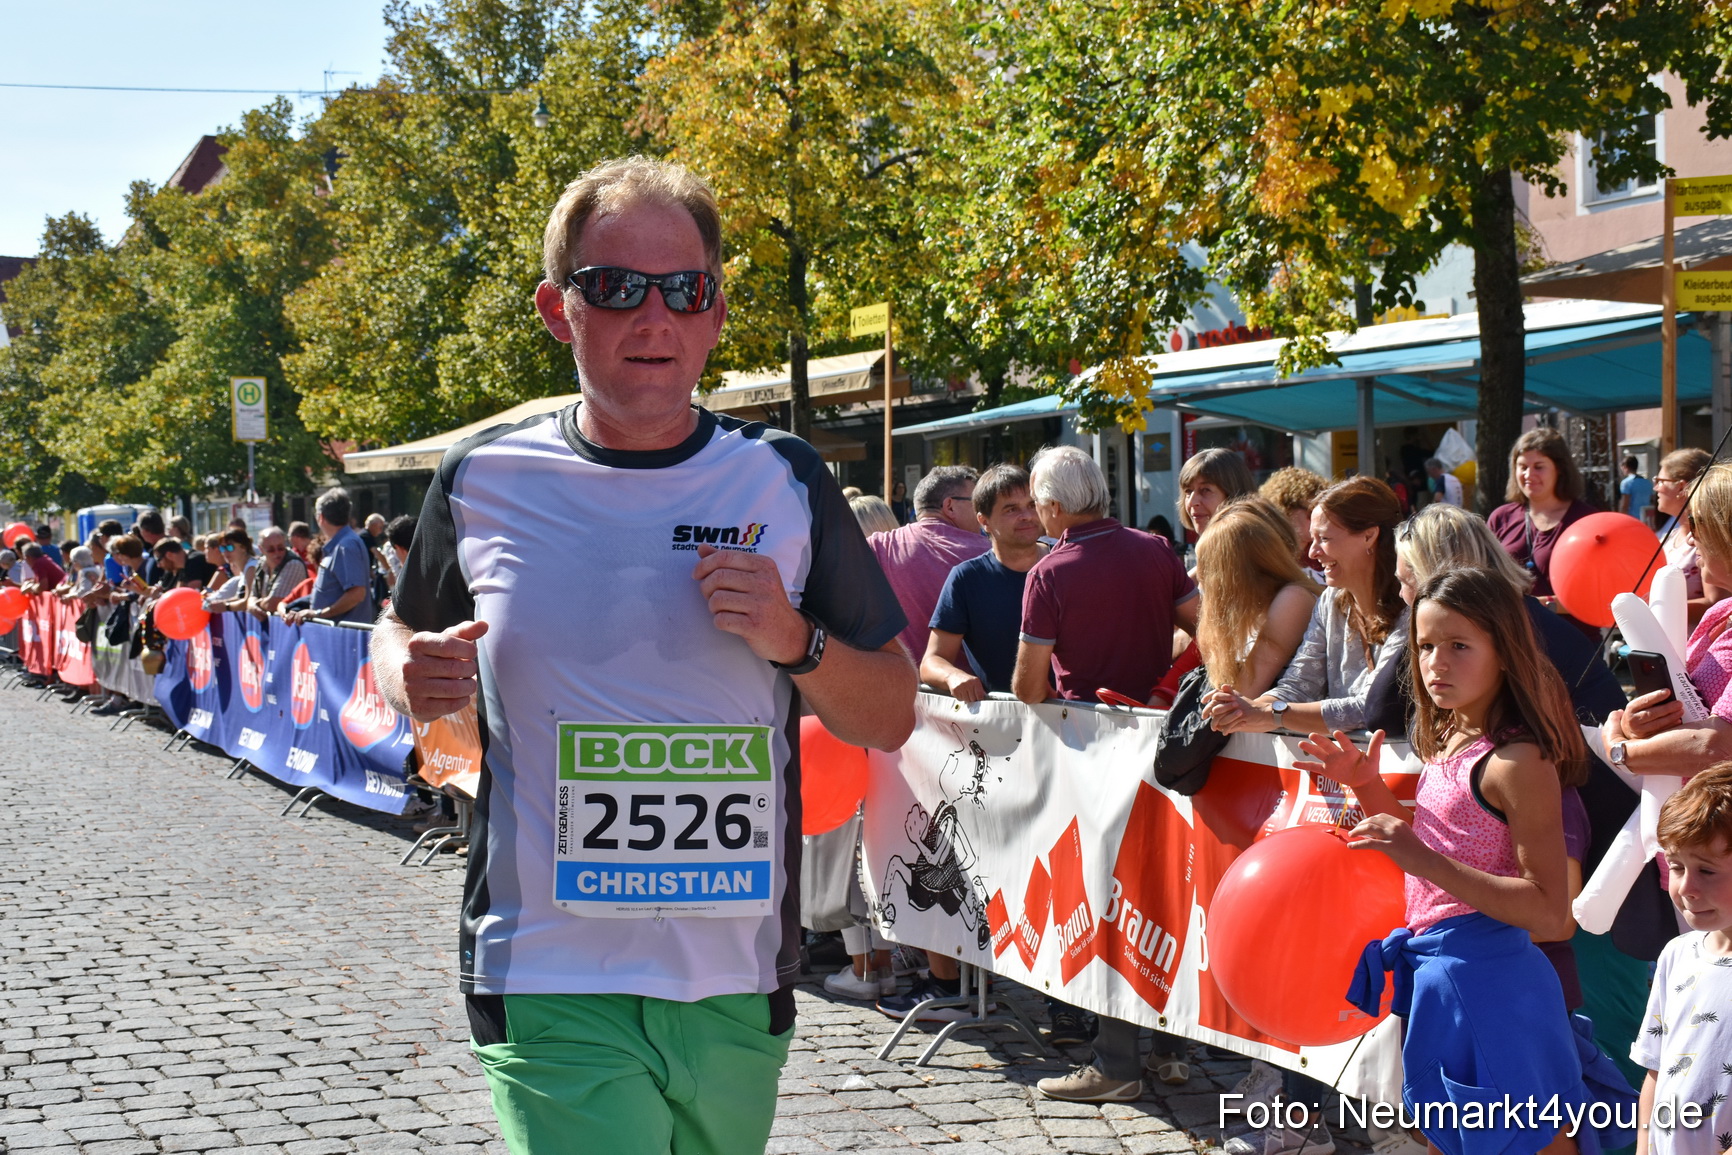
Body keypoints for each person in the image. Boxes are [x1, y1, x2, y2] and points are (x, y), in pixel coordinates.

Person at [369, 155, 915, 1155]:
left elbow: (887, 714)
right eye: (614, 286)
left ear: (714, 312)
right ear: (556, 307)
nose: (651, 317)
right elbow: (404, 639)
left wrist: (793, 640)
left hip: (732, 975)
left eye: (684, 289)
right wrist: (403, 676)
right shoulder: (484, 477)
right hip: (544, 968)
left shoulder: (781, 479)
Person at [1316, 569, 1633, 1155]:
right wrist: (1366, 785)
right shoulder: (1453, 743)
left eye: (1459, 646)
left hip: (1497, 987)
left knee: (1529, 1142)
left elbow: (1549, 913)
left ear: (1505, 653)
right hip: (1442, 982)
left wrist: (1418, 856)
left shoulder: (1519, 762)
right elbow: (1434, 859)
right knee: (1449, 1140)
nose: (1437, 662)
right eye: (1426, 646)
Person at [1012, 445, 1199, 1102]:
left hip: (1091, 750)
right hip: (1163, 742)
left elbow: (1029, 687)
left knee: (1107, 902)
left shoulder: (1051, 571)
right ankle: (1173, 1047)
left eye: (1038, 503)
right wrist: (1165, 679)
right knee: (1165, 894)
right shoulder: (1155, 549)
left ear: (1054, 506)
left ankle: (1116, 1060)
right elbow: (1206, 627)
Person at [1367, 503, 1626, 730]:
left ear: (1432, 578)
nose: (1402, 595)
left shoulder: (1509, 626)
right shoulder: (1520, 613)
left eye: (1406, 582)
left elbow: (1381, 714)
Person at [1206, 477, 1409, 737]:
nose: (1313, 553)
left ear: (1369, 536)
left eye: (1324, 538)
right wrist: (1244, 708)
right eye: (1312, 539)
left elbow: (1369, 706)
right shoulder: (1331, 601)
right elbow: (1299, 685)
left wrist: (1269, 713)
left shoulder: (1411, 605)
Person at [1603, 463, 1732, 777]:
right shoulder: (1722, 612)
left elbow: (1717, 746)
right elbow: (1684, 701)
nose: (1690, 540)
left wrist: (1619, 749)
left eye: (1696, 524)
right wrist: (1639, 724)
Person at [1638, 762, 1732, 1155]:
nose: (1687, 888)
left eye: (1707, 871)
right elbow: (1656, 1070)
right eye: (1676, 866)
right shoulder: (1677, 955)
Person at [921, 464, 1045, 701]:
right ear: (983, 520)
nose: (1027, 516)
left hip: (1078, 721)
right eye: (1011, 509)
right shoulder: (966, 579)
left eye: (1031, 505)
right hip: (1004, 724)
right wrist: (953, 676)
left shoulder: (1063, 562)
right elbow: (932, 661)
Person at [868, 465, 987, 661]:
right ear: (950, 506)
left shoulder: (880, 546)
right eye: (978, 502)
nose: (983, 511)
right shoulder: (988, 552)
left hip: (905, 683)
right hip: (969, 686)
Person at [1486, 427, 1596, 626]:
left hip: (1572, 639)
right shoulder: (1501, 517)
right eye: (1522, 466)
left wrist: (1540, 606)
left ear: (1559, 469)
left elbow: (1595, 594)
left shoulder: (1585, 520)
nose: (1529, 474)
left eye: (1539, 466)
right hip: (1515, 639)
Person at [1652, 447, 1721, 625]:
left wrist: (1653, 611)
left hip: (1695, 647)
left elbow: (1717, 604)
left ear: (1681, 486)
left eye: (1660, 480)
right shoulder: (1669, 535)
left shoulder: (1707, 539)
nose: (1656, 488)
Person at [287, 489, 374, 625]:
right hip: (336, 635)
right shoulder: (342, 543)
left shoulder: (347, 545)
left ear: (320, 517)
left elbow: (357, 594)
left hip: (344, 637)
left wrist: (319, 613)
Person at [1178, 447, 1256, 553]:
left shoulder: (1249, 552)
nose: (1192, 502)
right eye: (1188, 491)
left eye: (1205, 490)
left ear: (1234, 494)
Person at [1259, 466, 1329, 577]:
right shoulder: (1267, 556)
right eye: (1311, 511)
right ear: (1286, 510)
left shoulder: (1325, 551)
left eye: (1323, 512)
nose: (1319, 519)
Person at [246, 527, 308, 620]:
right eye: (271, 550)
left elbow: (273, 603)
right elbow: (253, 595)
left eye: (281, 548)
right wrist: (251, 604)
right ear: (261, 549)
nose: (277, 553)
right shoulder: (262, 563)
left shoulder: (293, 564)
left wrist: (254, 604)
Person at [1619, 455, 1654, 523]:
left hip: (1632, 520)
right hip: (1646, 519)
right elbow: (1652, 500)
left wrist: (1621, 520)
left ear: (1625, 467)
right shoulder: (1647, 482)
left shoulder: (1626, 483)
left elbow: (1625, 504)